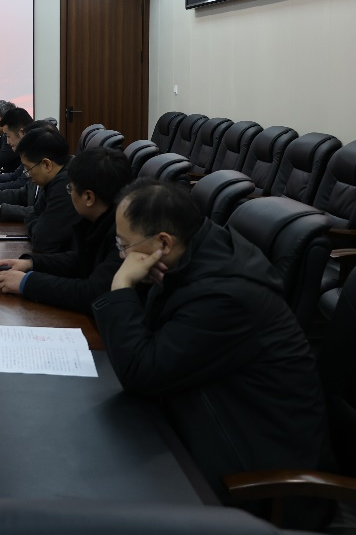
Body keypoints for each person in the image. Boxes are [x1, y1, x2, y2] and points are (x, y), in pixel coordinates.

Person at [91, 179, 329, 508]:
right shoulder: (196, 252)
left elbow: (141, 372)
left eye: (124, 244)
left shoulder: (225, 295)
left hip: (260, 483)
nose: (122, 255)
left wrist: (122, 285)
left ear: (164, 242)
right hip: (204, 420)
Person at [0, 147, 132, 311]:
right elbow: (80, 260)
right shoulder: (102, 218)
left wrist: (26, 282)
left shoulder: (124, 234)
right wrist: (30, 263)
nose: (69, 194)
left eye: (71, 188)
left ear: (88, 197)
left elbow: (91, 293)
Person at [11, 126, 79, 255]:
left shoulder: (66, 185)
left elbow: (42, 241)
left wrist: (36, 223)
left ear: (47, 165)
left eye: (28, 169)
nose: (28, 175)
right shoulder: (56, 177)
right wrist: (36, 222)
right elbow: (33, 213)